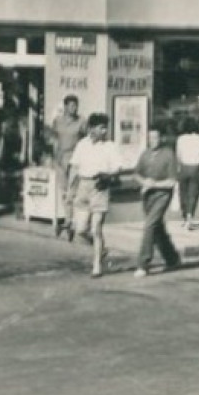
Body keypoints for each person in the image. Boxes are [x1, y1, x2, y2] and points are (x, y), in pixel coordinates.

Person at [67, 115, 122, 277]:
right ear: (91, 128)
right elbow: (74, 168)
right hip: (83, 187)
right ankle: (102, 249)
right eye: (100, 127)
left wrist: (109, 175)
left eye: (105, 127)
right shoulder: (82, 145)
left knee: (96, 227)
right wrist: (70, 191)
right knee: (81, 229)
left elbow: (118, 167)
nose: (104, 131)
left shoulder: (110, 146)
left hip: (100, 187)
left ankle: (97, 265)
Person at [133, 127, 182, 278]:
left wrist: (153, 184)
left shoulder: (168, 155)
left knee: (149, 225)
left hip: (162, 195)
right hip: (148, 196)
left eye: (155, 138)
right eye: (150, 138)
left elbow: (172, 181)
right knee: (157, 226)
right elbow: (136, 174)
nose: (152, 141)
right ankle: (172, 258)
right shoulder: (145, 154)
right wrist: (144, 182)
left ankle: (143, 263)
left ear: (162, 139)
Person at [49, 95, 84, 238]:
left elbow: (86, 139)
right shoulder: (58, 121)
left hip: (75, 158)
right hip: (60, 158)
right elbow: (53, 139)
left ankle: (71, 220)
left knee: (72, 191)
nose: (74, 108)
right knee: (64, 191)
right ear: (65, 107)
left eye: (75, 105)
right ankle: (68, 219)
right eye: (71, 105)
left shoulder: (82, 121)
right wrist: (53, 157)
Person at [175, 119, 199, 231]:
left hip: (184, 167)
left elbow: (178, 155)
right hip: (196, 168)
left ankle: (184, 218)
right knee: (193, 194)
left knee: (183, 193)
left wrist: (178, 169)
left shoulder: (180, 139)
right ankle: (189, 218)